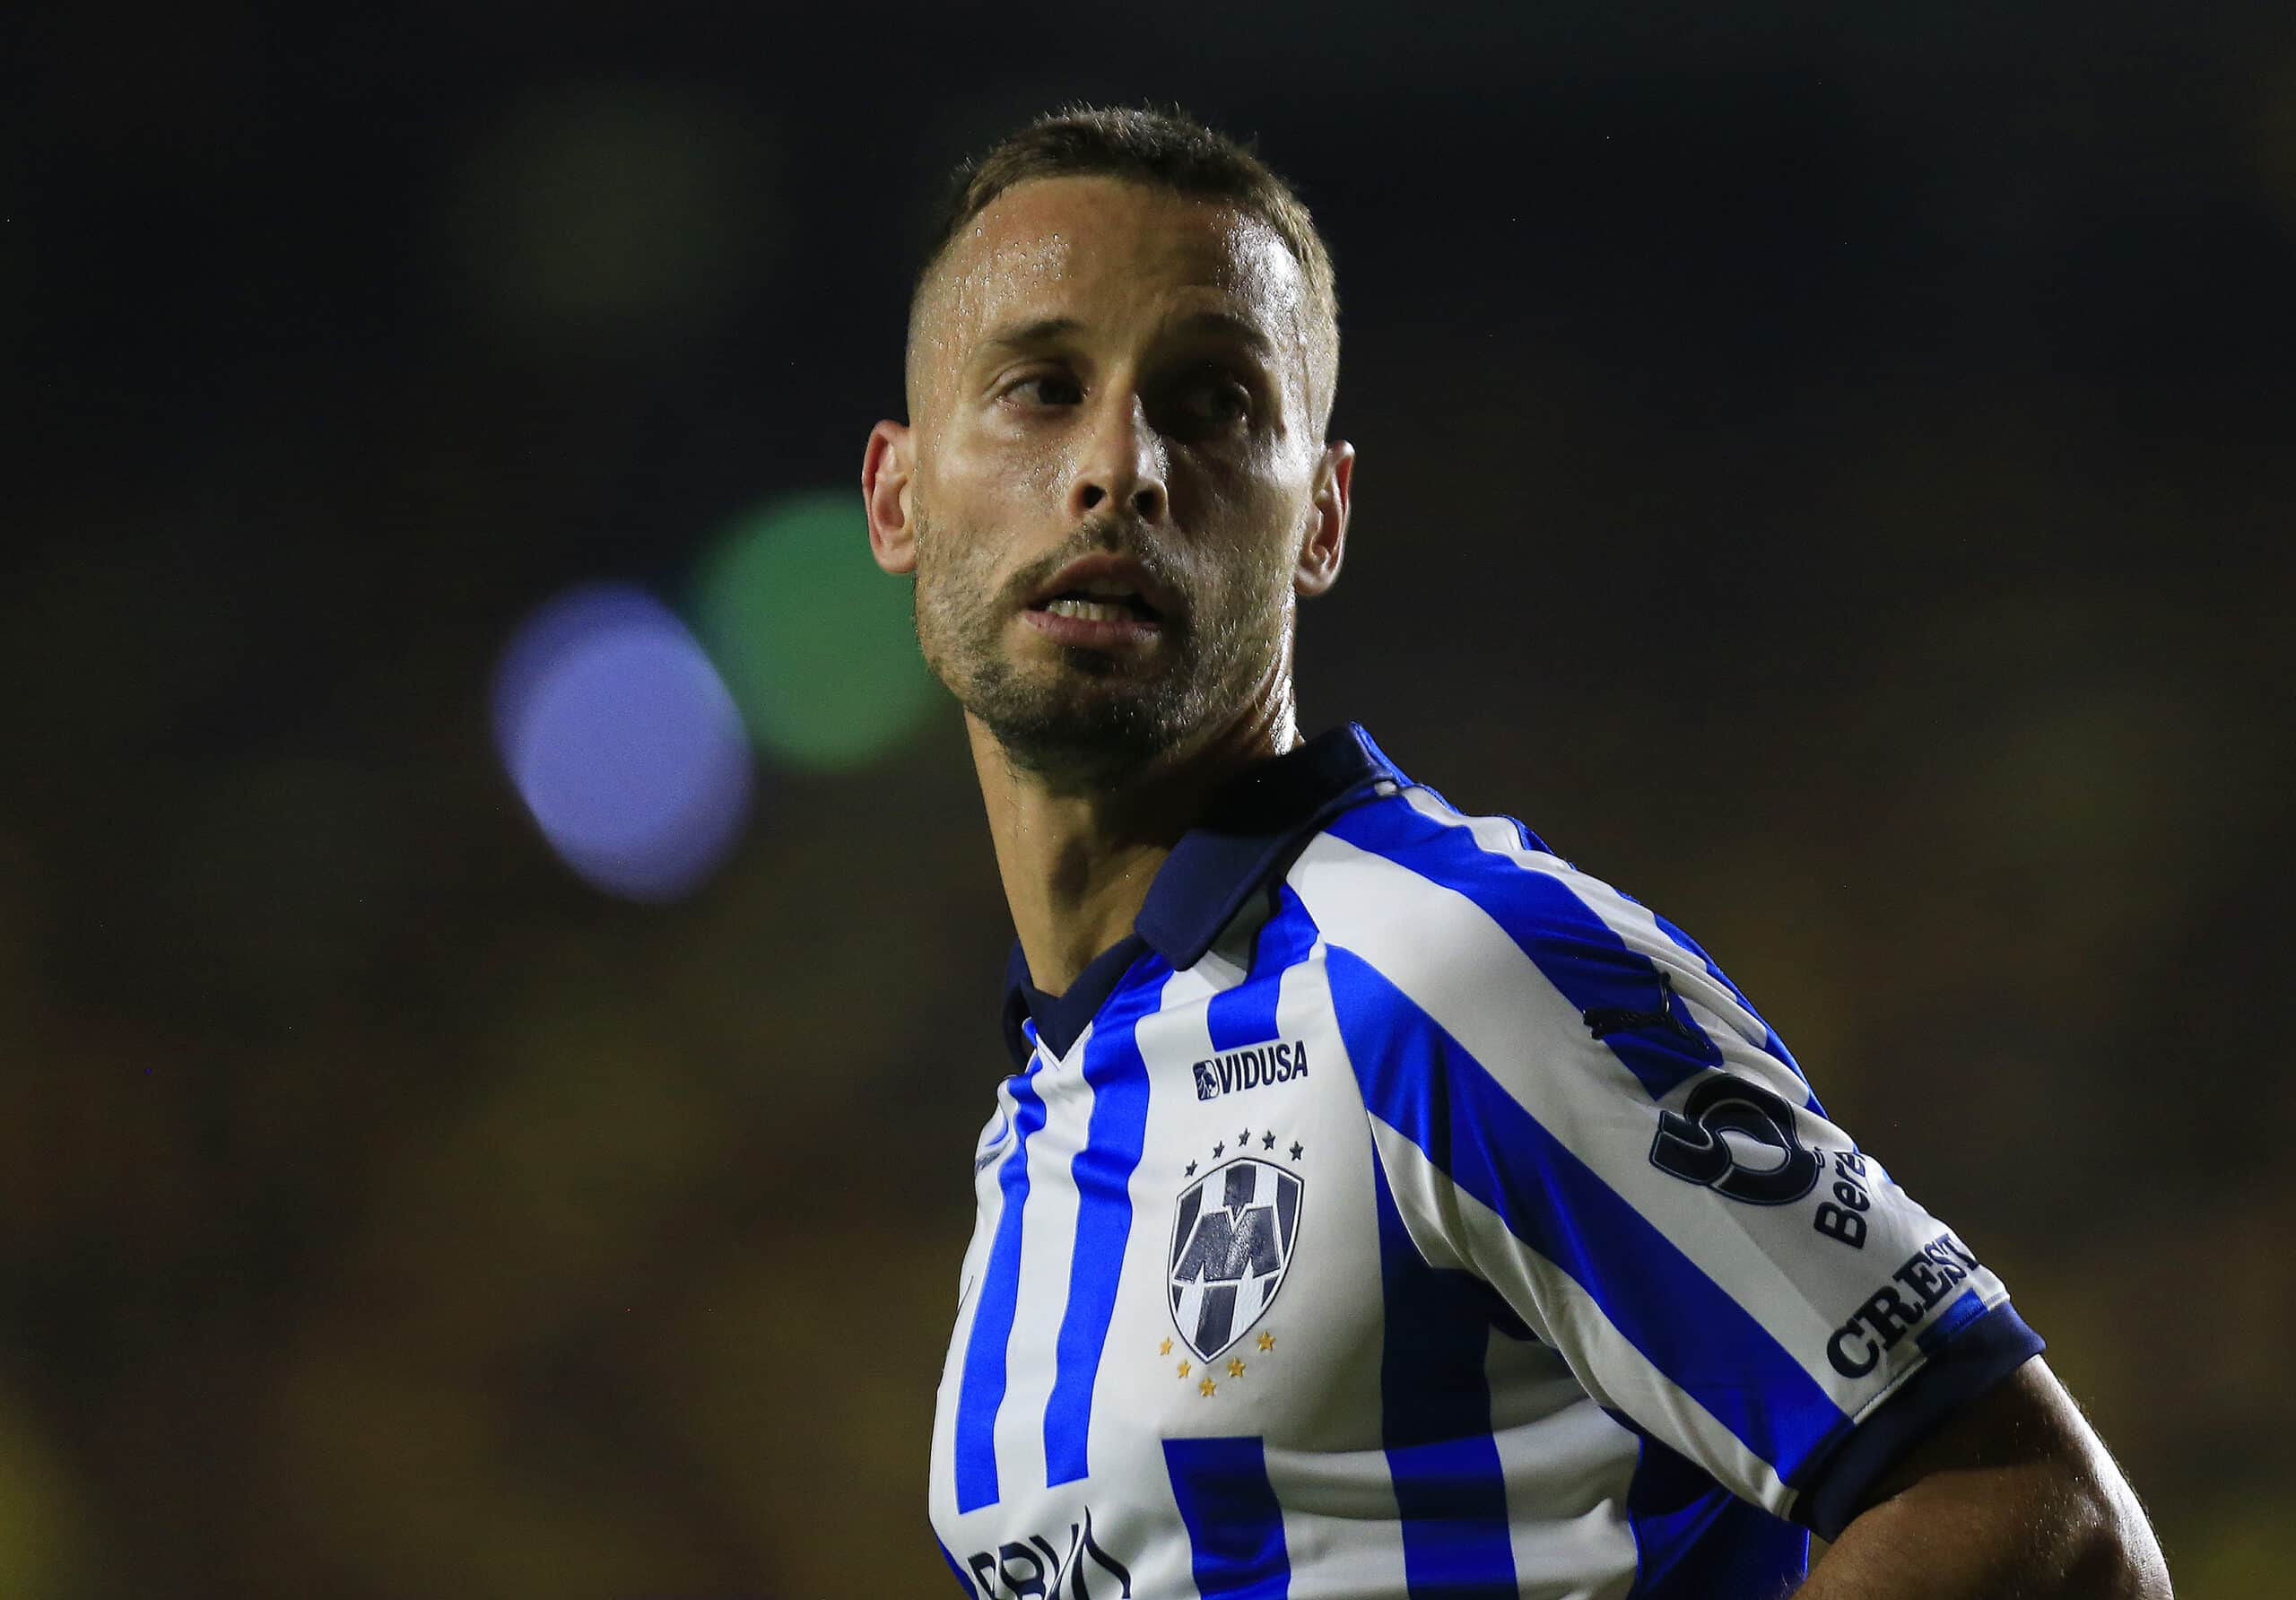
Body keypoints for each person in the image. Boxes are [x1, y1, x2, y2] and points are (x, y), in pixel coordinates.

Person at [861, 103, 2170, 1600]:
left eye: (1213, 405)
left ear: (1323, 519)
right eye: (1039, 388)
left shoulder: (1442, 973)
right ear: (898, 494)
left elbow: (2036, 1523)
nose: (1120, 469)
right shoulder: (1039, 1122)